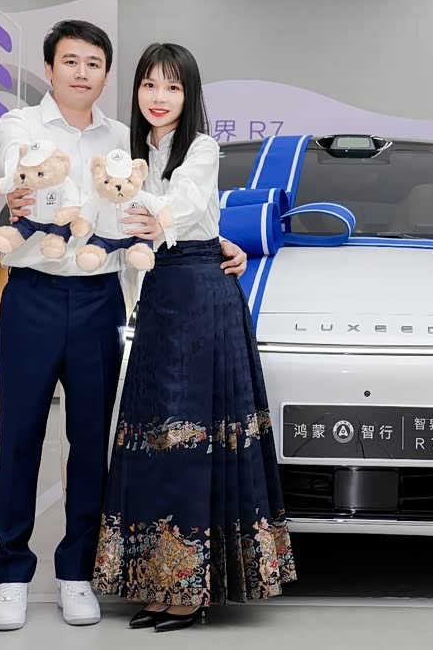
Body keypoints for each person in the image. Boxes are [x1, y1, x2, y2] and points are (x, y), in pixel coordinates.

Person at [0, 22, 248, 632]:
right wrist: (20, 192)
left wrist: (216, 242)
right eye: (70, 61)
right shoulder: (20, 125)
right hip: (31, 295)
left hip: (100, 298)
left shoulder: (124, 138)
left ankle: (76, 572)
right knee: (19, 436)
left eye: (94, 63)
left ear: (107, 74)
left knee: (89, 441)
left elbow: (163, 203)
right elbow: (16, 168)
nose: (81, 72)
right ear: (49, 68)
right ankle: (11, 575)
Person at [93, 42, 297, 632]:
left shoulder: (202, 148)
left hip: (203, 297)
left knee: (194, 440)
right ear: (136, 90)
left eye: (173, 87)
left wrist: (136, 202)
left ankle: (192, 589)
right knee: (155, 439)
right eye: (149, 85)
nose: (159, 98)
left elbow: (182, 206)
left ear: (190, 95)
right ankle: (158, 582)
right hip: (159, 299)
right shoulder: (128, 153)